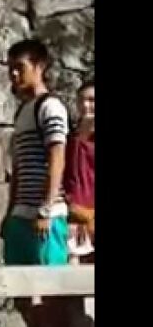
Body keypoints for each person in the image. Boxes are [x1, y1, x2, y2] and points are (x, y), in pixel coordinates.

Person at [2, 39, 70, 327]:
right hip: (21, 213)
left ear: (39, 67)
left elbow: (57, 156)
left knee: (49, 287)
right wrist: (10, 210)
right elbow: (18, 168)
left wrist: (46, 206)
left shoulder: (51, 107)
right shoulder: (22, 111)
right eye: (11, 68)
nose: (14, 74)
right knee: (20, 287)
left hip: (46, 213)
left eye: (21, 67)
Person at [65, 80, 95, 264]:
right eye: (81, 100)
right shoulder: (69, 138)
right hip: (72, 216)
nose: (86, 105)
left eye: (92, 100)